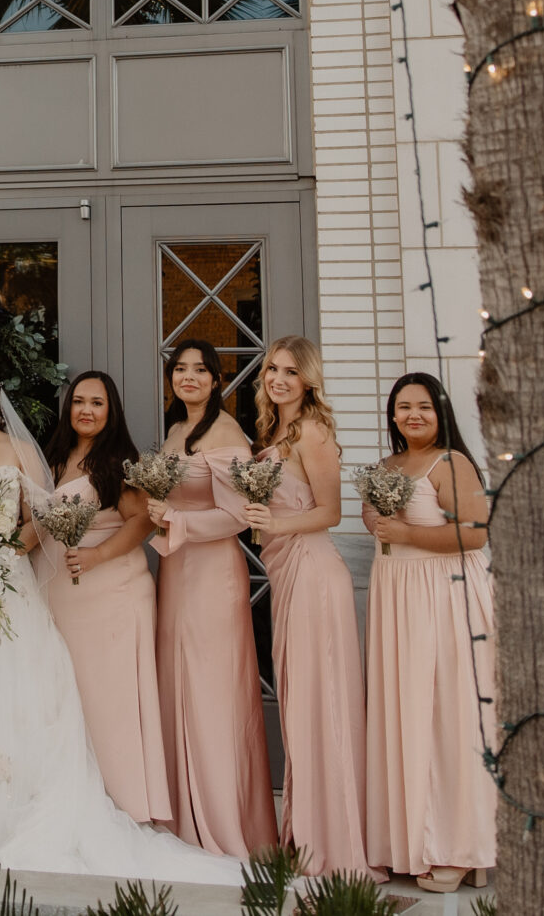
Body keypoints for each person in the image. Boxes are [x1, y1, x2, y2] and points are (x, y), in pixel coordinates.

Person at [0, 356, 237, 882]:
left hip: (11, 579)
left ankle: (12, 816)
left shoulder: (26, 453)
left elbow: (37, 520)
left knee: (7, 693)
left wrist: (2, 555)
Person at [233, 336, 374, 877]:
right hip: (288, 575)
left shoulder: (312, 431)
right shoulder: (272, 433)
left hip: (315, 573)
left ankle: (330, 845)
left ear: (308, 380)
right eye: (272, 369)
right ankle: (307, 833)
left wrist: (274, 523)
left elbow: (332, 513)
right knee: (298, 707)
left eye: (291, 372)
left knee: (320, 705)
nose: (278, 379)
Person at [360, 371, 497, 894]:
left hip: (443, 595)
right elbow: (381, 524)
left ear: (441, 413)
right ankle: (409, 841)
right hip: (397, 598)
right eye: (402, 407)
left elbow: (476, 532)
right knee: (406, 713)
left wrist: (408, 532)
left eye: (423, 407)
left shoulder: (452, 463)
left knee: (448, 716)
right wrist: (378, 524)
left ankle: (460, 847)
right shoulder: (386, 466)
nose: (412, 415)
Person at [146, 340, 279, 857]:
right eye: (180, 369)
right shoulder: (177, 430)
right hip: (176, 569)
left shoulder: (226, 433)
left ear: (218, 379)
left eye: (200, 370)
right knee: (177, 681)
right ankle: (180, 813)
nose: (189, 378)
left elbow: (240, 515)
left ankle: (222, 820)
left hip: (212, 572)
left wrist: (176, 519)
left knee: (210, 687)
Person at [37, 370, 170, 830]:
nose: (86, 411)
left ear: (110, 411)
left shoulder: (119, 460)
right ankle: (74, 794)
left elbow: (141, 523)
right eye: (78, 402)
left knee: (110, 697)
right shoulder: (54, 457)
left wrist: (95, 555)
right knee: (70, 695)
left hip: (110, 590)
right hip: (61, 593)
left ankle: (124, 801)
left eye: (96, 403)